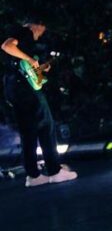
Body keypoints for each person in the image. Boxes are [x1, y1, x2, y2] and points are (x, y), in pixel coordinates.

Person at [1, 20, 78, 187]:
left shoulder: (19, 36)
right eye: (41, 30)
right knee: (46, 126)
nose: (41, 34)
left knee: (28, 132)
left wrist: (40, 68)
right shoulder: (25, 32)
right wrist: (30, 59)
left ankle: (33, 176)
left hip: (12, 88)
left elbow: (23, 66)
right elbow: (7, 46)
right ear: (36, 25)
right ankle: (54, 171)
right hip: (25, 90)